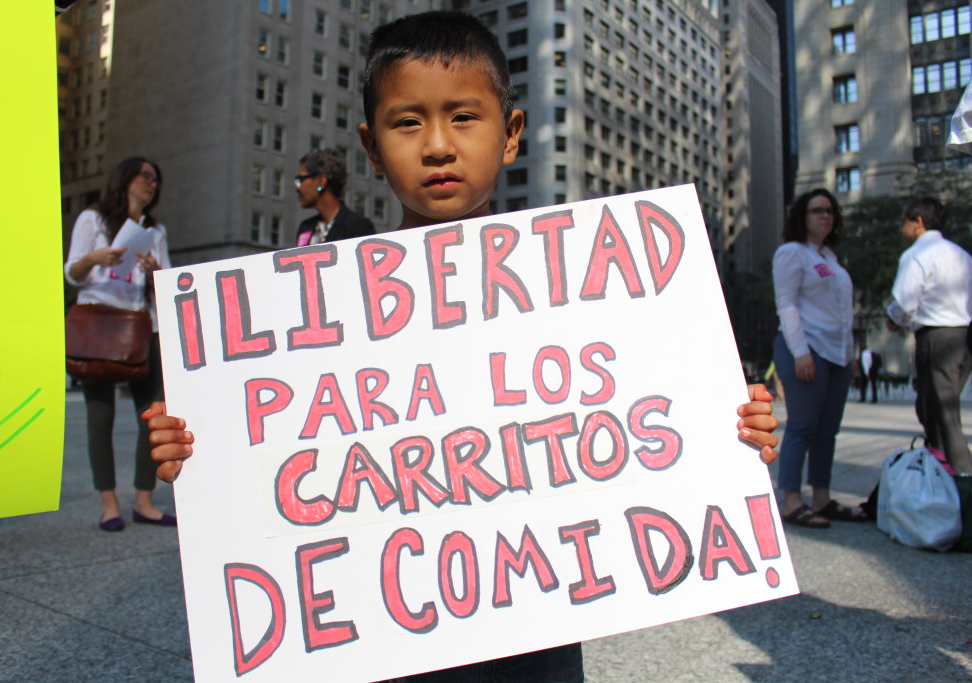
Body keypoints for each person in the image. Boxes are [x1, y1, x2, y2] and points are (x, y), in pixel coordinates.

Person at [143, 11, 779, 682]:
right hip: (385, 630)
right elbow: (279, 452)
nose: (438, 145)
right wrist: (199, 449)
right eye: (408, 122)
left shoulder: (573, 291)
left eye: (464, 117)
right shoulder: (326, 311)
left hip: (535, 620)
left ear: (509, 136)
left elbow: (638, 421)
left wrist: (729, 432)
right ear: (370, 144)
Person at [64, 156, 176, 531]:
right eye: (146, 176)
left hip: (141, 326)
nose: (152, 184)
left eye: (156, 179)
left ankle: (143, 502)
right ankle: (109, 504)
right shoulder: (92, 219)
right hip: (98, 321)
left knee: (152, 415)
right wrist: (95, 257)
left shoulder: (155, 230)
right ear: (125, 178)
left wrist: (155, 273)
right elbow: (73, 273)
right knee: (100, 417)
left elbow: (166, 283)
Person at [772, 188, 866, 528]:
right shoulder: (791, 253)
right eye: (817, 211)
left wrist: (850, 355)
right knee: (802, 426)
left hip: (837, 355)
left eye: (830, 211)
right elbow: (787, 304)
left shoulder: (831, 260)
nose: (825, 216)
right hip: (805, 350)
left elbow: (841, 313)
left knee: (827, 431)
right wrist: (800, 352)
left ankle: (822, 498)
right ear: (802, 216)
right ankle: (791, 500)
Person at [886, 197, 972, 474]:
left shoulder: (917, 255)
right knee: (934, 409)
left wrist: (893, 320)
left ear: (918, 222)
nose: (902, 229)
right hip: (964, 336)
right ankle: (940, 469)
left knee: (941, 412)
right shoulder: (961, 254)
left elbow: (904, 302)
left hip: (937, 339)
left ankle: (962, 476)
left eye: (904, 222)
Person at [293, 148, 375, 246]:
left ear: (321, 182)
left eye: (300, 180)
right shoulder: (306, 227)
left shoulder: (358, 227)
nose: (297, 188)